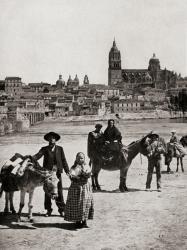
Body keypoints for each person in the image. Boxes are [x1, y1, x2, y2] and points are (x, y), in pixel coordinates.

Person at [32, 131, 69, 217]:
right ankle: (48, 210)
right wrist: (30, 158)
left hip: (57, 173)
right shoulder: (44, 149)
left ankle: (61, 210)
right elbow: (37, 156)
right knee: (48, 192)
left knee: (59, 191)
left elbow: (64, 160)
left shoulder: (60, 149)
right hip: (48, 174)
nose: (52, 139)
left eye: (53, 138)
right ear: (48, 139)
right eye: (50, 138)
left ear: (56, 140)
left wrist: (67, 171)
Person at [64, 152, 94, 228]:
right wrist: (75, 177)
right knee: (77, 204)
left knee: (85, 204)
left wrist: (86, 174)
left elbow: (89, 174)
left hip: (85, 187)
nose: (80, 159)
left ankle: (84, 221)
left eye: (82, 158)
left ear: (84, 159)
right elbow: (72, 176)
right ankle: (77, 221)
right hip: (76, 188)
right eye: (78, 158)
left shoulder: (87, 166)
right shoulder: (74, 167)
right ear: (76, 159)